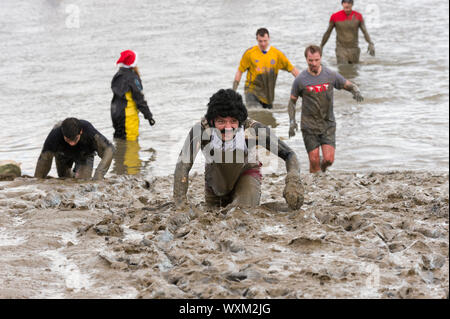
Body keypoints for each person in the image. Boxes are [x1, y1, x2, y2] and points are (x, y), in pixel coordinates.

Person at [173, 89, 304, 210]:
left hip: (246, 175)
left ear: (240, 121)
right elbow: (183, 165)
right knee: (214, 216)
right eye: (221, 122)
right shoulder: (201, 130)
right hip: (216, 181)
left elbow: (289, 154)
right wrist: (181, 204)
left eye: (233, 121)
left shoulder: (253, 129)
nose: (228, 128)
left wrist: (293, 179)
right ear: (212, 121)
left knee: (241, 212)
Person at [287, 45, 363, 173]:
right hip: (309, 125)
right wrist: (291, 122)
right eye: (311, 60)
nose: (314, 63)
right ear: (306, 59)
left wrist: (355, 90)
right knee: (314, 160)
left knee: (328, 160)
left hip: (328, 124)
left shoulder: (330, 75)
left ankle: (320, 171)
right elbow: (292, 102)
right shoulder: (300, 80)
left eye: (316, 60)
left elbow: (346, 84)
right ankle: (314, 181)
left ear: (320, 58)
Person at [233, 28, 299, 109]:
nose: (263, 44)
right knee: (255, 114)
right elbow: (240, 71)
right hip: (252, 90)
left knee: (268, 118)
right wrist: (233, 91)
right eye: (260, 41)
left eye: (265, 40)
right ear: (257, 40)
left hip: (268, 95)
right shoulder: (250, 53)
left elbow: (293, 70)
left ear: (269, 39)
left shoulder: (277, 54)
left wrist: (305, 84)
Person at [34, 117, 115, 180]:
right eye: (68, 140)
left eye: (75, 139)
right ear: (63, 134)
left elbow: (109, 149)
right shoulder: (55, 135)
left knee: (82, 182)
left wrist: (99, 175)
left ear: (80, 132)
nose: (71, 143)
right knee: (64, 180)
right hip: (63, 155)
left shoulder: (88, 130)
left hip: (84, 155)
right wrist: (37, 182)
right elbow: (44, 161)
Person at [111, 50, 155, 141]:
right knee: (131, 143)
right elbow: (139, 99)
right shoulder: (132, 77)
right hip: (128, 116)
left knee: (120, 140)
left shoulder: (118, 75)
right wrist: (149, 116)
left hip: (116, 113)